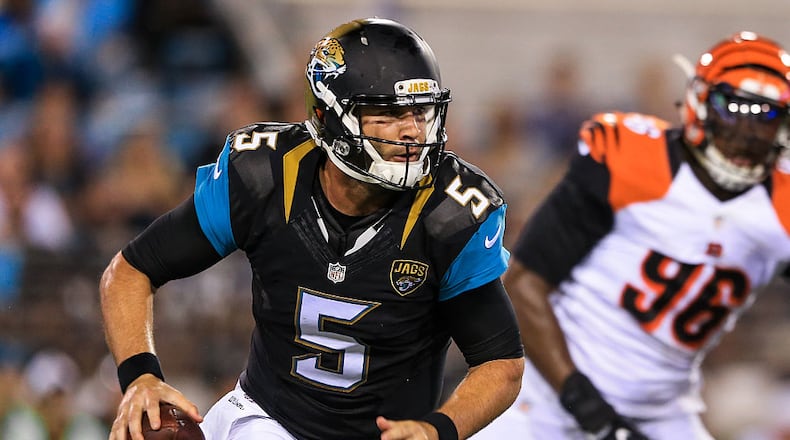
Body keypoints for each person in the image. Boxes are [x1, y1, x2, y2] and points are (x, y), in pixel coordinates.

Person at [99, 17, 524, 440]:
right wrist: (140, 377)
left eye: (420, 111)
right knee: (149, 430)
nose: (413, 130)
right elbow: (130, 271)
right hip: (268, 421)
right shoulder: (264, 177)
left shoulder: (448, 211)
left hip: (387, 435)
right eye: (388, 113)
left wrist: (438, 430)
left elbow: (501, 364)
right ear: (328, 116)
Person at [474, 31, 790, 440]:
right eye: (734, 109)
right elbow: (523, 285)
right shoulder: (631, 160)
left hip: (663, 412)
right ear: (698, 100)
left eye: (765, 117)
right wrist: (590, 409)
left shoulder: (780, 208)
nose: (746, 132)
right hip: (547, 398)